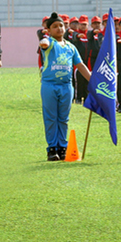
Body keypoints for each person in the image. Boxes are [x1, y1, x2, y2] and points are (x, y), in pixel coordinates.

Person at [38, 12, 92, 161]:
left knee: (63, 118)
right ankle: (52, 148)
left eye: (61, 25)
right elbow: (43, 44)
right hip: (49, 85)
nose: (59, 29)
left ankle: (63, 147)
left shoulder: (71, 47)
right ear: (49, 30)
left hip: (66, 86)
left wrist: (92, 80)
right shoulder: (49, 43)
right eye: (55, 26)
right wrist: (44, 40)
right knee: (51, 117)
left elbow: (80, 65)